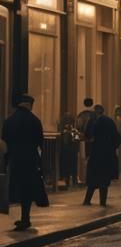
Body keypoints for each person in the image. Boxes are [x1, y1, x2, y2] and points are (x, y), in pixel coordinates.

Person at [2, 95, 49, 230]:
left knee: (16, 186)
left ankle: (21, 218)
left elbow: (5, 141)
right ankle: (25, 217)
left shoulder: (9, 120)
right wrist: (40, 161)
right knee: (27, 189)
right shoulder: (35, 121)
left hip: (15, 158)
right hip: (30, 159)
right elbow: (40, 142)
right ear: (30, 105)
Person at [84, 104, 120, 206]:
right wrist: (113, 148)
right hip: (107, 155)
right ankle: (102, 202)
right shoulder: (109, 121)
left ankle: (87, 200)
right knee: (104, 180)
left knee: (93, 180)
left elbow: (87, 135)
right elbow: (117, 138)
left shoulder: (93, 121)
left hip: (96, 154)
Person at [75, 97, 97, 184]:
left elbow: (78, 127)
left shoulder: (81, 115)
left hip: (82, 140)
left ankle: (83, 178)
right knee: (93, 159)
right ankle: (92, 178)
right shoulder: (95, 115)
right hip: (93, 140)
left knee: (83, 159)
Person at [57, 113, 79, 191]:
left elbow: (76, 139)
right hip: (65, 150)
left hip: (71, 150)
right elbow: (62, 140)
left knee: (72, 166)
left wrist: (74, 135)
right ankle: (66, 180)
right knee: (66, 166)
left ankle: (73, 180)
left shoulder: (74, 130)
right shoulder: (63, 131)